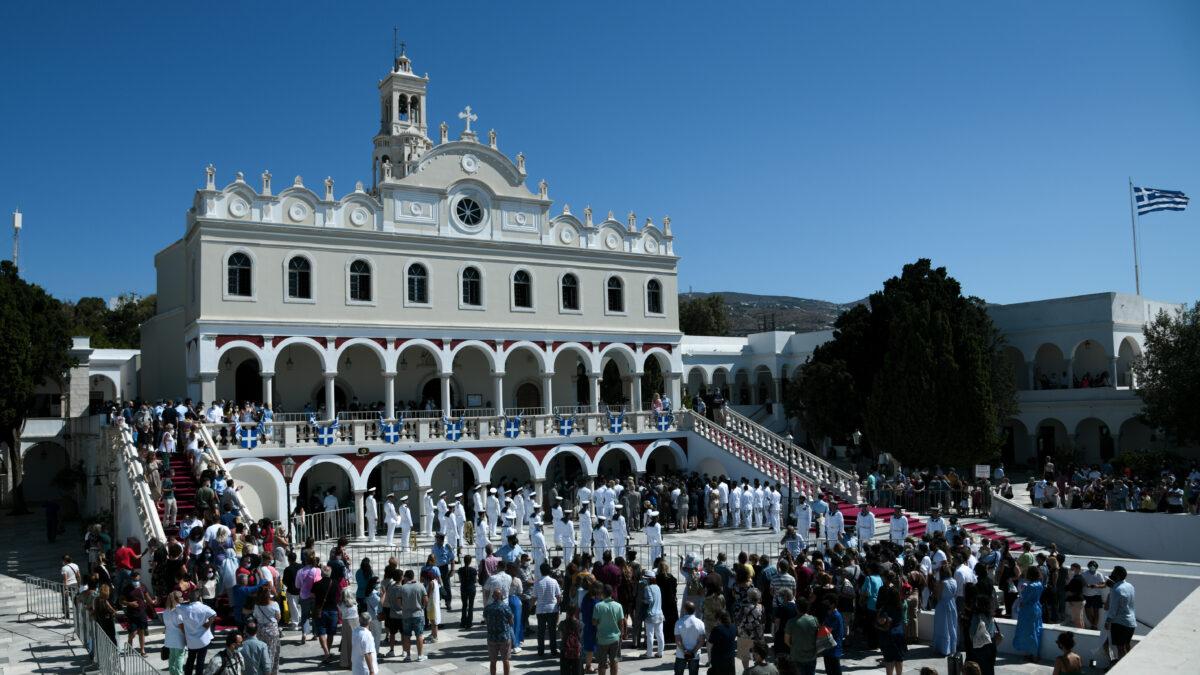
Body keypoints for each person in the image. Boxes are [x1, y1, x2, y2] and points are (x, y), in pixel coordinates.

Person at [177, 588, 217, 675]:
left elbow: (176, 606)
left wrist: (186, 602)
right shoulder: (204, 608)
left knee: (190, 660)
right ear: (200, 598)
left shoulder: (184, 608)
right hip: (203, 640)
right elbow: (214, 614)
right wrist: (208, 624)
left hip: (191, 641)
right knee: (200, 661)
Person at [593, 583, 626, 675]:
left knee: (602, 663)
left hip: (602, 638)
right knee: (614, 661)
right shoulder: (618, 606)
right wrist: (621, 636)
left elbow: (594, 622)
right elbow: (621, 623)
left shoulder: (598, 606)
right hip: (615, 638)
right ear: (612, 593)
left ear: (602, 593)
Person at [1105, 565, 1136, 665]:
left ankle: (1124, 667)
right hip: (1131, 622)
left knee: (1120, 648)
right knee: (1127, 645)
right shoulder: (1130, 586)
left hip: (1119, 623)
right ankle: (1132, 664)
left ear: (1117, 576)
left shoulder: (1116, 589)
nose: (1111, 574)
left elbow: (1113, 609)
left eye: (1113, 572)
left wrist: (1107, 622)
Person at [120, 570, 155, 656]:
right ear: (131, 579)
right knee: (133, 632)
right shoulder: (127, 589)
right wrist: (129, 603)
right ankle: (130, 640)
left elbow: (148, 599)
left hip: (142, 612)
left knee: (141, 631)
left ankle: (142, 650)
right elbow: (121, 601)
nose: (136, 581)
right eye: (134, 580)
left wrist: (153, 608)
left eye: (138, 580)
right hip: (131, 613)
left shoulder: (143, 587)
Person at [396, 569, 428, 662]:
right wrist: (422, 606)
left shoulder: (402, 588)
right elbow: (426, 600)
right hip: (418, 614)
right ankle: (420, 655)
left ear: (405, 577)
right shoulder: (420, 586)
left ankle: (408, 656)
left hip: (406, 615)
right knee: (419, 635)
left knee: (406, 636)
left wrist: (404, 607)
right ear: (413, 577)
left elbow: (399, 602)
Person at [1013, 566, 1044, 662]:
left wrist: (1024, 589)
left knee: (1030, 632)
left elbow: (1025, 599)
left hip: (1028, 610)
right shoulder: (1039, 584)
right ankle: (1034, 654)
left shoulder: (1030, 586)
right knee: (1036, 630)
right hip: (1037, 608)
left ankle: (1034, 655)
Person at [534, 562, 563, 658]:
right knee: (552, 631)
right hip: (552, 609)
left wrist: (531, 606)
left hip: (541, 610)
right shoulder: (554, 581)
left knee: (541, 632)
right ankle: (553, 651)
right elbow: (558, 596)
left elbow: (534, 597)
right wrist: (558, 606)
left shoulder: (537, 583)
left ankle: (541, 651)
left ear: (541, 571)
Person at [250, 587, 281, 674]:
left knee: (261, 652)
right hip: (272, 630)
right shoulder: (274, 604)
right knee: (272, 653)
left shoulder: (256, 605)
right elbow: (278, 617)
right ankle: (271, 672)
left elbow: (256, 616)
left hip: (260, 629)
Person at [784, 597, 818, 675]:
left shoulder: (791, 622)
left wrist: (795, 647)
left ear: (797, 608)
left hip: (797, 657)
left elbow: (786, 641)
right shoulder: (814, 620)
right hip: (812, 656)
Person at [485, 588, 515, 675]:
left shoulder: (488, 608)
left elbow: (486, 622)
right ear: (501, 596)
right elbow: (511, 623)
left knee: (493, 661)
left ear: (493, 597)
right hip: (504, 637)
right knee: (505, 660)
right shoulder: (506, 608)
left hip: (492, 637)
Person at [967, 595, 999, 675]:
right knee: (989, 668)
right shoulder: (990, 616)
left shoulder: (977, 617)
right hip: (991, 645)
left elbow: (972, 633)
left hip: (980, 646)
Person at [932, 564, 958, 657]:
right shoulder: (954, 581)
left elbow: (938, 597)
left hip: (943, 605)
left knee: (943, 627)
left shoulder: (942, 583)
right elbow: (955, 594)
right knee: (952, 626)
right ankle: (952, 647)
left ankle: (943, 648)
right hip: (952, 604)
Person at [674, 600, 706, 675]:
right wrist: (693, 652)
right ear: (694, 610)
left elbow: (677, 641)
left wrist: (685, 651)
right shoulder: (700, 623)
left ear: (685, 610)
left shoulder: (679, 622)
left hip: (681, 654)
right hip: (695, 655)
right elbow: (702, 641)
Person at [642, 570, 665, 658]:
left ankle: (649, 653)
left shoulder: (647, 588)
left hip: (651, 614)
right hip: (659, 613)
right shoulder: (657, 587)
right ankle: (660, 652)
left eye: (645, 578)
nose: (644, 580)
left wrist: (643, 600)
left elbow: (650, 600)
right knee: (660, 633)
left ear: (649, 579)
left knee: (650, 635)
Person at [559, 603, 584, 675]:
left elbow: (561, 636)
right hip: (577, 650)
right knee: (577, 671)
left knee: (565, 671)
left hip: (565, 649)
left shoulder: (562, 623)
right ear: (576, 611)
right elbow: (580, 637)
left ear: (566, 611)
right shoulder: (580, 624)